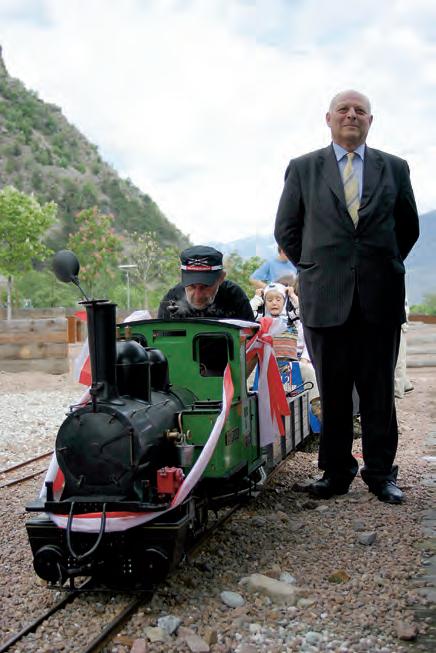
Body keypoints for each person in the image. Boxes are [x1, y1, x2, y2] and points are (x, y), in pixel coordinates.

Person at [274, 89, 419, 504]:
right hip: (325, 298)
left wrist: (379, 264)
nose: (351, 115)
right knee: (333, 392)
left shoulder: (395, 168)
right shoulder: (303, 168)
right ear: (329, 118)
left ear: (370, 121)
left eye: (360, 111)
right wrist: (318, 268)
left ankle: (381, 474)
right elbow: (286, 228)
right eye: (343, 109)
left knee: (378, 393)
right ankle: (335, 473)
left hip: (380, 297)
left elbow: (407, 228)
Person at [158, 245, 255, 321]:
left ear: (221, 278)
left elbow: (251, 336)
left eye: (205, 287)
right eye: (192, 286)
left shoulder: (234, 297)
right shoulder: (172, 301)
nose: (198, 296)